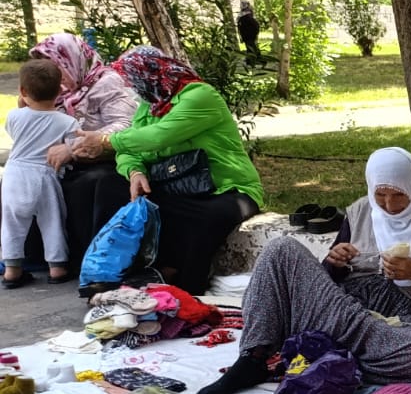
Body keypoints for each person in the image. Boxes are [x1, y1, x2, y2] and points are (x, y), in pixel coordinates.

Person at [199, 147, 411, 394]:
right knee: (280, 249)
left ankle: (330, 358)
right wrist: (334, 262)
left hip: (403, 312)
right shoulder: (360, 210)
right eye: (380, 194)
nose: (388, 205)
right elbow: (328, 276)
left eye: (398, 195)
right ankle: (252, 359)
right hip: (344, 307)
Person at [68, 47, 262, 293]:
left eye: (133, 80)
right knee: (110, 184)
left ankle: (190, 289)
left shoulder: (200, 95)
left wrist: (106, 141)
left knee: (212, 215)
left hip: (227, 189)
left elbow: (159, 136)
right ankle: (107, 273)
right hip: (177, 185)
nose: (132, 88)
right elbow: (130, 150)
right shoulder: (149, 105)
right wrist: (135, 172)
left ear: (150, 75)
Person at [26, 33, 140, 263]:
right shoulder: (59, 92)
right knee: (24, 178)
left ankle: (87, 259)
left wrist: (73, 148)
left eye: (59, 68)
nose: (55, 78)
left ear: (72, 61)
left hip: (106, 157)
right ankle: (27, 256)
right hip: (67, 160)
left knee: (92, 183)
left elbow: (125, 124)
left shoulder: (106, 82)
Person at [3, 60, 75, 288]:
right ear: (60, 90)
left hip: (15, 175)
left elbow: (14, 131)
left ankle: (12, 271)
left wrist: (21, 103)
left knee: (12, 223)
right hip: (45, 175)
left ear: (23, 91)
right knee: (52, 221)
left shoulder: (15, 116)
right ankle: (57, 268)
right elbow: (72, 145)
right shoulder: (67, 121)